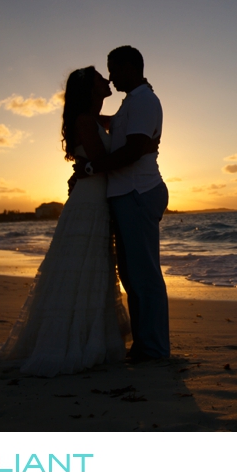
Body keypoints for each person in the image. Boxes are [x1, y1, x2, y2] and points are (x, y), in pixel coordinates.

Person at [0, 66, 143, 377]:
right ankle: (72, 342)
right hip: (89, 202)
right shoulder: (85, 121)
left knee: (92, 268)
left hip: (96, 199)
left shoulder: (95, 119)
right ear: (89, 88)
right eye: (101, 77)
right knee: (81, 267)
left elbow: (120, 127)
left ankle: (89, 337)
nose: (107, 80)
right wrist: (94, 165)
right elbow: (102, 161)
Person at [80, 46, 169, 362]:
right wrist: (85, 117)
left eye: (114, 69)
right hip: (127, 194)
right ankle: (144, 345)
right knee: (132, 275)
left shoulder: (144, 100)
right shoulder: (131, 103)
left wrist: (91, 168)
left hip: (138, 192)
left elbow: (133, 150)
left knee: (144, 274)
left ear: (132, 67)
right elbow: (116, 128)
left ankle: (155, 349)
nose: (111, 76)